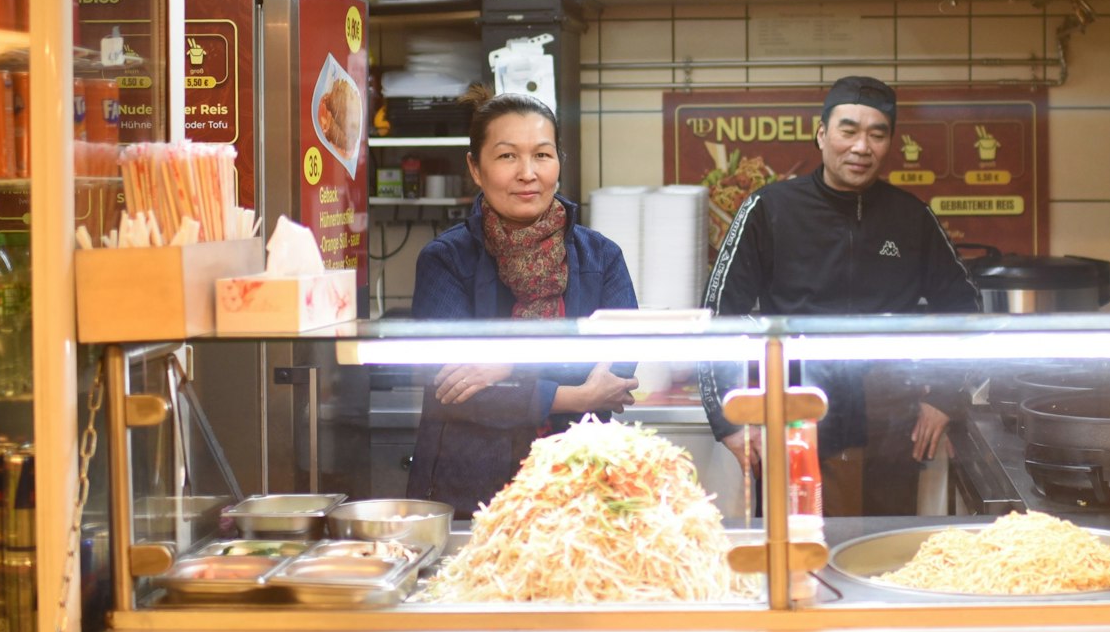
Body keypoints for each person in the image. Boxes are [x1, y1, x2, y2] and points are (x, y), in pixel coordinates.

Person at [700, 75, 980, 515]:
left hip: (890, 427)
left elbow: (966, 312)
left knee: (882, 557)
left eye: (877, 134)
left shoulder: (911, 217)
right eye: (848, 130)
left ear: (889, 143)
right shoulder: (769, 209)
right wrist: (728, 421)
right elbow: (717, 318)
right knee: (799, 559)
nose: (861, 147)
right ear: (821, 134)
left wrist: (945, 396)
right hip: (796, 419)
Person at [408, 88, 639, 513]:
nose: (527, 173)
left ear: (558, 163)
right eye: (507, 156)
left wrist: (508, 366)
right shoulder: (446, 261)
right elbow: (458, 390)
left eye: (542, 155)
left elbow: (618, 368)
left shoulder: (601, 257)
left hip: (579, 489)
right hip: (472, 496)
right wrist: (575, 395)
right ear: (475, 169)